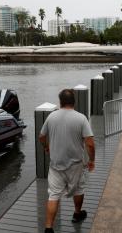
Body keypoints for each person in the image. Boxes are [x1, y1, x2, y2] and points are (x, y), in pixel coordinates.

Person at [39, 89, 95, 233]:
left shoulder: (51, 117)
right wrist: (92, 160)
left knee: (54, 195)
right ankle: (77, 214)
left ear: (60, 101)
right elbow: (90, 143)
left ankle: (48, 228)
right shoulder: (81, 118)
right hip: (76, 165)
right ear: (74, 102)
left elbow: (41, 136)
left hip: (56, 165)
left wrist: (47, 147)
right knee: (79, 189)